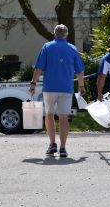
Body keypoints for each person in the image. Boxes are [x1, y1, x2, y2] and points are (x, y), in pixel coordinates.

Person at [29, 24, 85, 157]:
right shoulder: (72, 48)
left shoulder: (47, 47)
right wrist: (81, 85)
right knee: (64, 117)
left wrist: (33, 83)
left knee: (49, 114)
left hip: (50, 87)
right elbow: (80, 70)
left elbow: (38, 68)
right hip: (66, 87)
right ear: (66, 34)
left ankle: (52, 143)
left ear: (55, 33)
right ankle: (63, 148)